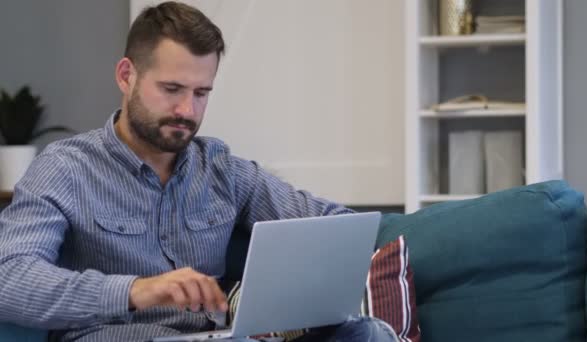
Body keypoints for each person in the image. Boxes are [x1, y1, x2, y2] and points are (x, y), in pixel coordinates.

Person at [0, 2, 398, 341]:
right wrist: (136, 290)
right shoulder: (65, 168)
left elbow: (336, 227)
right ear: (126, 76)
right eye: (172, 89)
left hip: (220, 334)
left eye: (201, 93)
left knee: (368, 333)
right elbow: (9, 278)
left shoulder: (222, 169)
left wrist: (270, 301)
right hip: (121, 333)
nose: (188, 111)